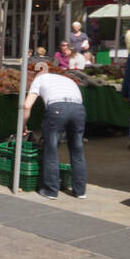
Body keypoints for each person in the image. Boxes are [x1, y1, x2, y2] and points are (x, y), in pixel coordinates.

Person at [22, 62, 86, 199]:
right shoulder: (66, 79)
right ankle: (80, 191)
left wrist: (23, 126)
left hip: (57, 108)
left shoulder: (39, 79)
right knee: (77, 150)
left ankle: (51, 191)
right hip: (79, 110)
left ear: (35, 73)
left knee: (51, 149)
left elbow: (27, 105)